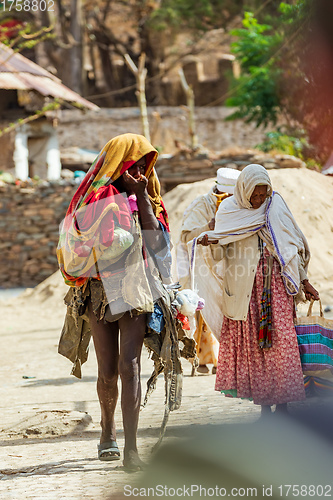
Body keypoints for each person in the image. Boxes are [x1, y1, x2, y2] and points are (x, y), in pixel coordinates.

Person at [57, 134, 192, 470]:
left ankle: (131, 448)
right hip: (99, 293)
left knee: (129, 367)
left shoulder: (151, 198)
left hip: (136, 291)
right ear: (118, 165)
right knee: (106, 371)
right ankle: (107, 432)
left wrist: (141, 197)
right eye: (135, 164)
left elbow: (159, 248)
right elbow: (77, 240)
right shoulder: (95, 199)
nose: (142, 170)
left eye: (146, 164)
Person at [197, 164, 319, 416]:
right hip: (246, 292)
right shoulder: (229, 211)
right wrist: (211, 240)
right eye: (255, 195)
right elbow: (220, 253)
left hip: (277, 288)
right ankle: (264, 409)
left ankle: (283, 407)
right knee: (256, 349)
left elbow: (291, 248)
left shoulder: (276, 207)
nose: (259, 200)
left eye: (263, 194)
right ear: (244, 191)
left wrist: (304, 281)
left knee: (283, 345)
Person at [178, 168, 240, 375]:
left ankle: (227, 359)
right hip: (202, 269)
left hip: (232, 268)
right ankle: (203, 360)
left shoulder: (243, 205)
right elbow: (186, 236)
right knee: (205, 314)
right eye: (227, 197)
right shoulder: (202, 205)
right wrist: (208, 227)